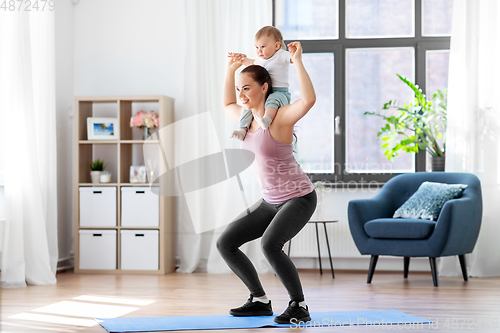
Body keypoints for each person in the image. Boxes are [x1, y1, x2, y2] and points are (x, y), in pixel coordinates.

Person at [217, 41, 317, 324]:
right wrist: (230, 70)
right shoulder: (245, 119)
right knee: (226, 243)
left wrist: (297, 61)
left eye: (246, 88)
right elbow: (226, 103)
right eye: (239, 89)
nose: (241, 95)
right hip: (269, 201)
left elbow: (308, 101)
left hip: (298, 197)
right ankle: (259, 300)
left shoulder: (279, 119)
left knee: (269, 244)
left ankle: (299, 305)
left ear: (264, 87)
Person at [229, 26, 292, 141]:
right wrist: (240, 59)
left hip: (280, 93)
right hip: (267, 92)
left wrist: (294, 53)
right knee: (247, 107)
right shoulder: (260, 60)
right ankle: (242, 129)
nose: (259, 51)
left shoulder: (281, 55)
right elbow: (250, 62)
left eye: (263, 47)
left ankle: (267, 120)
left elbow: (293, 58)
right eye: (257, 47)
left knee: (273, 98)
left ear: (276, 46)